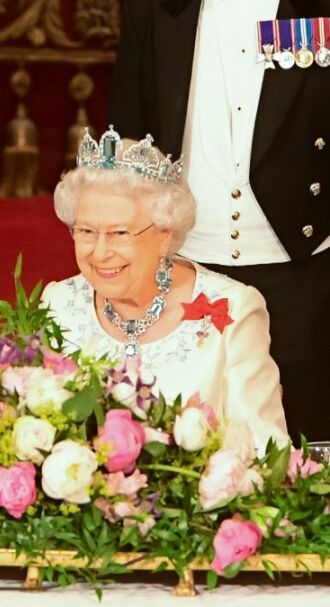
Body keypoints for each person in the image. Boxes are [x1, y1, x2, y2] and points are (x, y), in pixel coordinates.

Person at [107, 0, 330, 442]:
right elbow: (128, 133)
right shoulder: (155, 9)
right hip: (187, 268)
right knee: (188, 438)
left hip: (302, 268)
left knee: (305, 440)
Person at [41, 128, 289, 452]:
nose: (100, 253)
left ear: (164, 235)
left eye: (119, 233)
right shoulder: (57, 303)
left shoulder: (235, 311)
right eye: (86, 231)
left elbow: (266, 454)